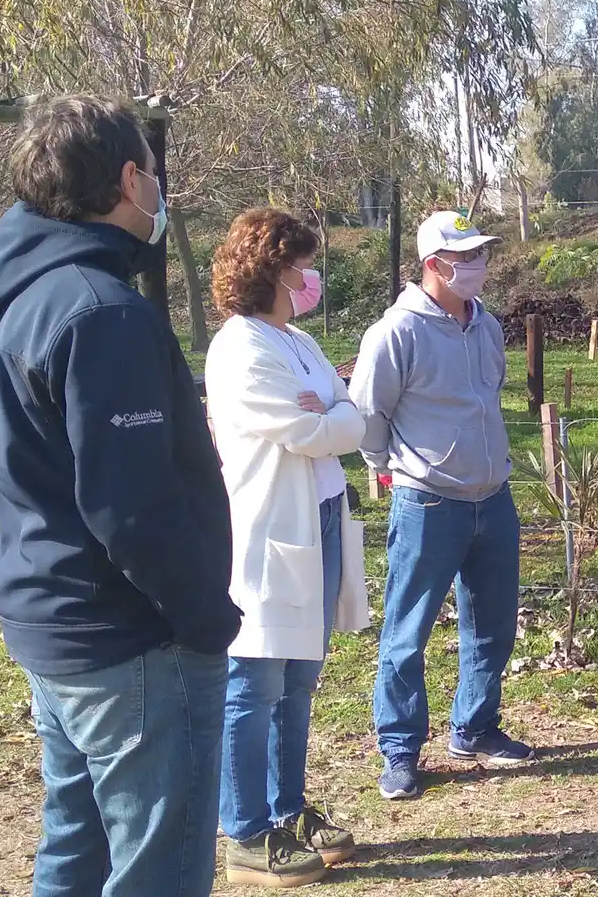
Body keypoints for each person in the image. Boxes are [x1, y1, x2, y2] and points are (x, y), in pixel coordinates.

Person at [0, 94, 240, 895]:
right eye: (153, 175)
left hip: (51, 618)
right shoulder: (100, 312)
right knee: (159, 866)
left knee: (75, 851)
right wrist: (204, 616)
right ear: (129, 179)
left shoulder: (2, 300)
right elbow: (132, 508)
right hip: (131, 640)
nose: (158, 191)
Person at [204, 208, 369, 886]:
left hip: (321, 516)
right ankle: (245, 831)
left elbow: (349, 415)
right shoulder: (240, 348)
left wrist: (329, 409)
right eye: (298, 266)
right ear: (267, 270)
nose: (307, 278)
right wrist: (331, 413)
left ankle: (289, 809)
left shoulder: (293, 338)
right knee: (255, 684)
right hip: (268, 530)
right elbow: (313, 431)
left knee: (299, 681)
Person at [350, 211, 530, 800]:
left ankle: (475, 728)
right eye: (466, 257)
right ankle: (399, 750)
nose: (478, 266)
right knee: (408, 632)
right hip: (427, 502)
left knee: (493, 624)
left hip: (492, 499)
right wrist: (390, 469)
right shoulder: (395, 333)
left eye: (481, 254)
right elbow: (369, 416)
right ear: (434, 265)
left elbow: (490, 397)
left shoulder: (488, 326)